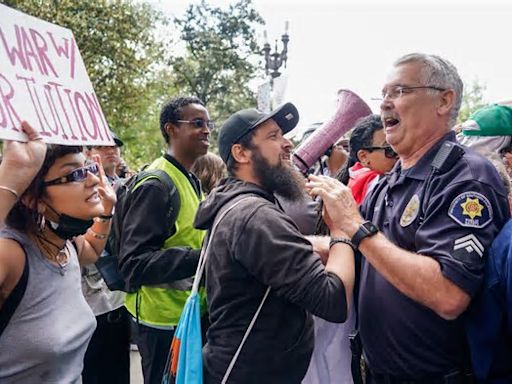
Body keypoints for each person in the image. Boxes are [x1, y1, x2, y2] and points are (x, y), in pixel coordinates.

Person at [311, 53, 510, 383]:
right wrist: (291, 245)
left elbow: (448, 295)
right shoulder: (387, 181)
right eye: (384, 94)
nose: (385, 104)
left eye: (400, 91)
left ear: (444, 101)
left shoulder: (465, 177)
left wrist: (356, 226)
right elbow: (364, 251)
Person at [194, 103, 355, 383]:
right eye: (273, 136)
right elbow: (334, 299)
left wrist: (319, 245)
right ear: (240, 153)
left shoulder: (238, 204)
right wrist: (343, 228)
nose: (287, 143)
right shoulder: (255, 215)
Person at [0, 122, 116, 383]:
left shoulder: (65, 245)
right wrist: (9, 181)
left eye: (88, 168)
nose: (94, 179)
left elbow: (93, 251)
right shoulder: (12, 253)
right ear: (34, 199)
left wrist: (106, 211)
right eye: (75, 174)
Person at [117, 96, 211, 384]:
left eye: (208, 123)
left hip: (187, 315)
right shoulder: (157, 185)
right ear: (171, 129)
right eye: (197, 123)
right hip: (161, 323)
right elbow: (134, 263)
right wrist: (205, 257)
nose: (206, 130)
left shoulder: (189, 177)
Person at [82, 132, 130, 384]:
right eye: (103, 146)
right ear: (89, 153)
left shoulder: (128, 187)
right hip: (91, 295)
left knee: (118, 368)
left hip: (120, 297)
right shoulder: (80, 188)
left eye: (115, 146)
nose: (111, 150)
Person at [339, 114, 398, 205]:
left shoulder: (356, 178)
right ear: (364, 157)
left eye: (399, 144)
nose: (399, 154)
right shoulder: (373, 183)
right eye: (390, 149)